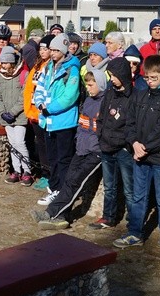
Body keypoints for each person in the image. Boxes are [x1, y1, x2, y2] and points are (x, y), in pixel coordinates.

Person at [113, 55, 160, 248]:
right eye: (147, 78)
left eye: (154, 78)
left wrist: (145, 148)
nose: (150, 82)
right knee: (138, 196)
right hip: (139, 155)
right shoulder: (141, 95)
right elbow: (130, 122)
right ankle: (135, 232)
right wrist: (134, 143)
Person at [31, 70, 107, 229]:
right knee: (68, 180)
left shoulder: (105, 103)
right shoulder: (88, 101)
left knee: (75, 182)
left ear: (100, 84)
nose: (88, 87)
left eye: (91, 84)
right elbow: (83, 125)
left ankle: (57, 215)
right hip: (81, 149)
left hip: (95, 153)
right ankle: (54, 213)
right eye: (87, 84)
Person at [33, 33, 82, 206]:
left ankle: (62, 191)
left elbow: (70, 96)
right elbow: (39, 87)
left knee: (64, 158)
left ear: (63, 50)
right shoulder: (48, 67)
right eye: (50, 50)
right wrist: (39, 103)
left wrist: (49, 108)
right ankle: (54, 188)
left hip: (64, 122)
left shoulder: (72, 69)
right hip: (48, 121)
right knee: (52, 157)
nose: (52, 53)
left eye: (55, 50)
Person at [91, 57, 135, 230]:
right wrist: (100, 136)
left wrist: (126, 144)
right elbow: (102, 116)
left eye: (114, 75)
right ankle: (108, 217)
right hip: (107, 146)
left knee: (129, 189)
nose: (112, 79)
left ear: (122, 75)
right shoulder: (110, 92)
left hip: (124, 149)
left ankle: (134, 221)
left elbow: (133, 123)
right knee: (109, 186)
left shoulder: (134, 95)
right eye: (110, 75)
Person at [0, 46, 33, 186]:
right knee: (12, 144)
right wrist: (2, 112)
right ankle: (16, 170)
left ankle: (27, 170)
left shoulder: (24, 74)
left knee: (20, 142)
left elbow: (24, 97)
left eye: (6, 62)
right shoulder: (0, 76)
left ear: (12, 62)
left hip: (20, 116)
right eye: (2, 62)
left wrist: (13, 112)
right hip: (5, 117)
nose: (3, 65)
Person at [24, 34, 54, 191]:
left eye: (45, 49)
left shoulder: (51, 67)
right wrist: (28, 110)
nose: (42, 52)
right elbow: (29, 88)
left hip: (44, 113)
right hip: (33, 112)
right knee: (40, 145)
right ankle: (44, 173)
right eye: (40, 49)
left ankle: (49, 174)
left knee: (47, 145)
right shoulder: (37, 65)